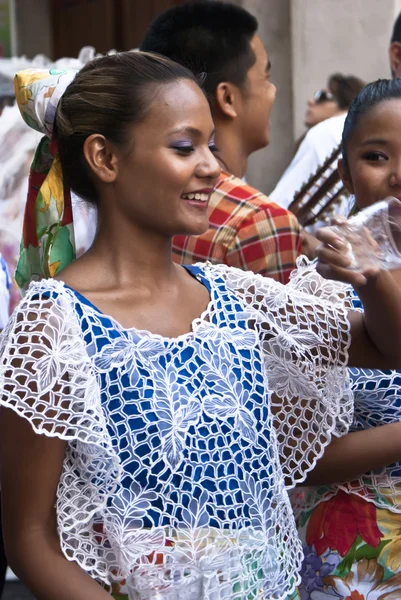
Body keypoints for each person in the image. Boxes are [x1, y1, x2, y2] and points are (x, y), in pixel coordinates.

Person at [2, 52, 401, 600]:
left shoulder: (232, 296)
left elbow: (387, 346)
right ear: (105, 158)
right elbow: (29, 538)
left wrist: (372, 276)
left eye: (211, 145)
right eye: (185, 147)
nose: (214, 167)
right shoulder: (53, 324)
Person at [295, 78, 401, 599]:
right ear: (345, 171)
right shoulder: (317, 291)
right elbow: (300, 455)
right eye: (378, 156)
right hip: (354, 555)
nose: (399, 176)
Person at [140, 1, 301, 285]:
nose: (273, 91)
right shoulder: (258, 223)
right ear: (227, 98)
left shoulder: (133, 200)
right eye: (266, 78)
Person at [270, 75, 364, 211]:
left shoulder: (325, 132)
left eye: (321, 96)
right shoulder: (365, 129)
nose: (310, 101)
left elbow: (279, 205)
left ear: (346, 101)